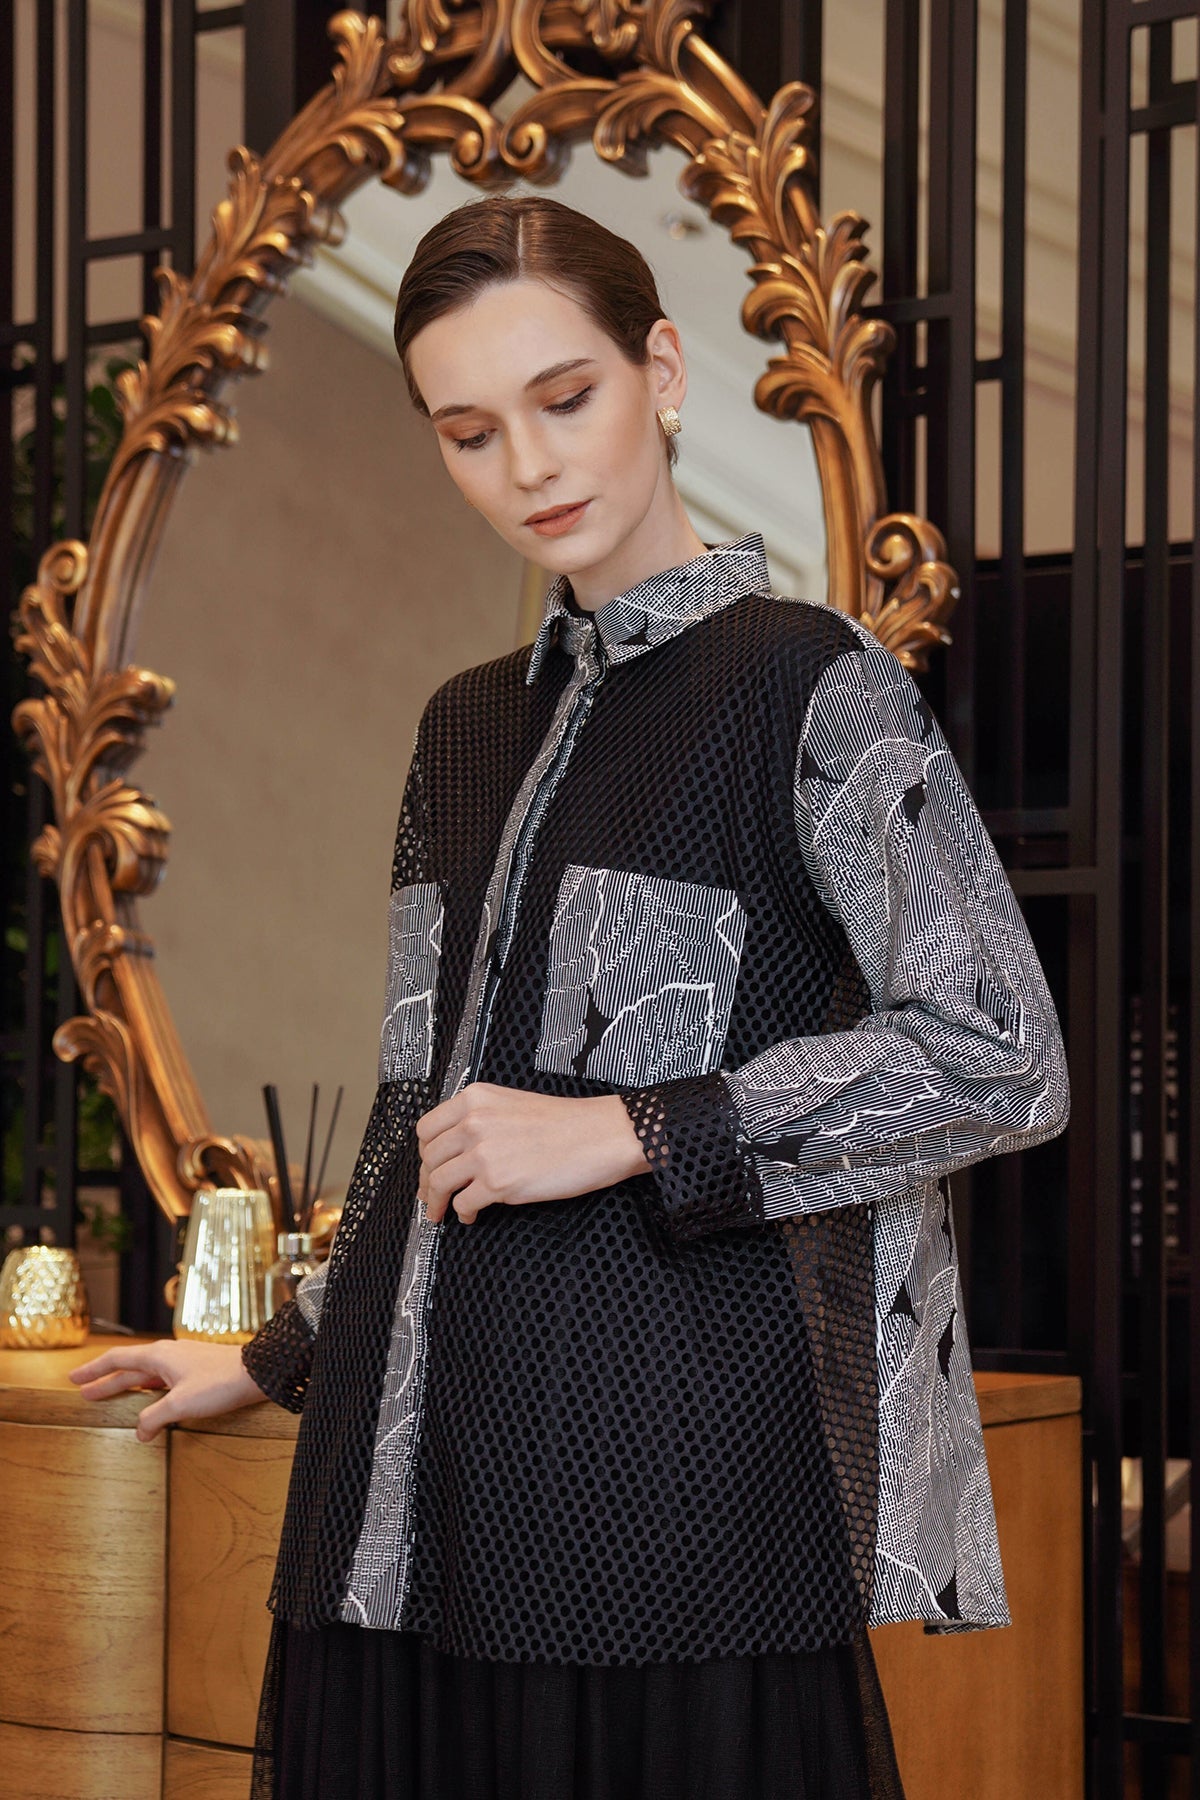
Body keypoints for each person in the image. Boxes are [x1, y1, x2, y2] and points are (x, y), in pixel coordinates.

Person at [69, 192, 1070, 1799]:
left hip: (665, 1495)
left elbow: (1001, 1052)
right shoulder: (464, 728)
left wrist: (628, 1128)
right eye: (469, 433)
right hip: (401, 1498)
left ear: (661, 372)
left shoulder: (810, 684)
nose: (527, 465)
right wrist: (274, 1354)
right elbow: (419, 1107)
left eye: (565, 397)